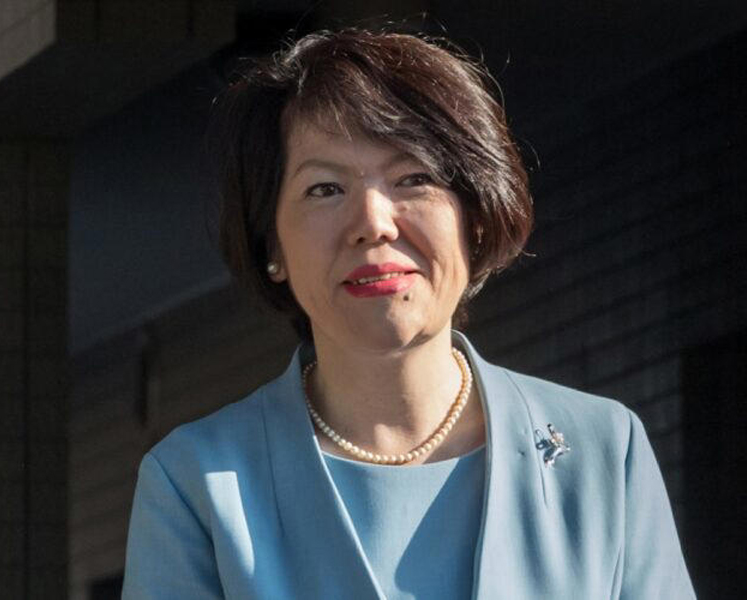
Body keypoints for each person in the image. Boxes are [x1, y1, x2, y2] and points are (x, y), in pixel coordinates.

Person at [121, 29, 695, 599]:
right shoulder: (195, 484)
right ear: (271, 245)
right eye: (325, 188)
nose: (373, 223)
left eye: (414, 178)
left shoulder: (601, 450)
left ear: (475, 216)